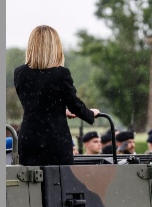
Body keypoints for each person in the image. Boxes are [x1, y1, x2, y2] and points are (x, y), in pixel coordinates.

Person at [13, 25, 100, 166]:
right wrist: (91, 113)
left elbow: (33, 104)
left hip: (28, 139)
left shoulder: (20, 73)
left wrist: (60, 110)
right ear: (55, 47)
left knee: (31, 185)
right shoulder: (61, 74)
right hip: (55, 141)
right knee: (60, 184)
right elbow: (75, 105)